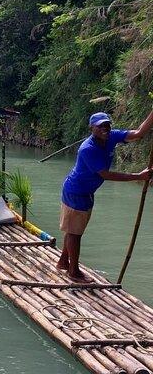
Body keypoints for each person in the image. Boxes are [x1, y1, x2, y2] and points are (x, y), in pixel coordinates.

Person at [57, 110, 153, 283]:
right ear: (92, 128)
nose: (105, 128)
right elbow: (105, 174)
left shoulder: (112, 137)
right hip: (75, 191)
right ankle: (73, 272)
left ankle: (63, 261)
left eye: (107, 125)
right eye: (100, 126)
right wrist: (138, 176)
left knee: (74, 230)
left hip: (86, 192)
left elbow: (139, 133)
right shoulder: (88, 149)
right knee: (74, 233)